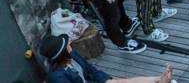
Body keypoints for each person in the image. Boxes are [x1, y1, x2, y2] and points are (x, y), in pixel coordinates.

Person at [39, 33, 172, 83]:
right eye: (67, 45)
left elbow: (90, 69)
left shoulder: (72, 55)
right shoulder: (57, 77)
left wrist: (106, 80)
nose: (70, 44)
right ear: (63, 53)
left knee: (119, 82)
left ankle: (158, 79)